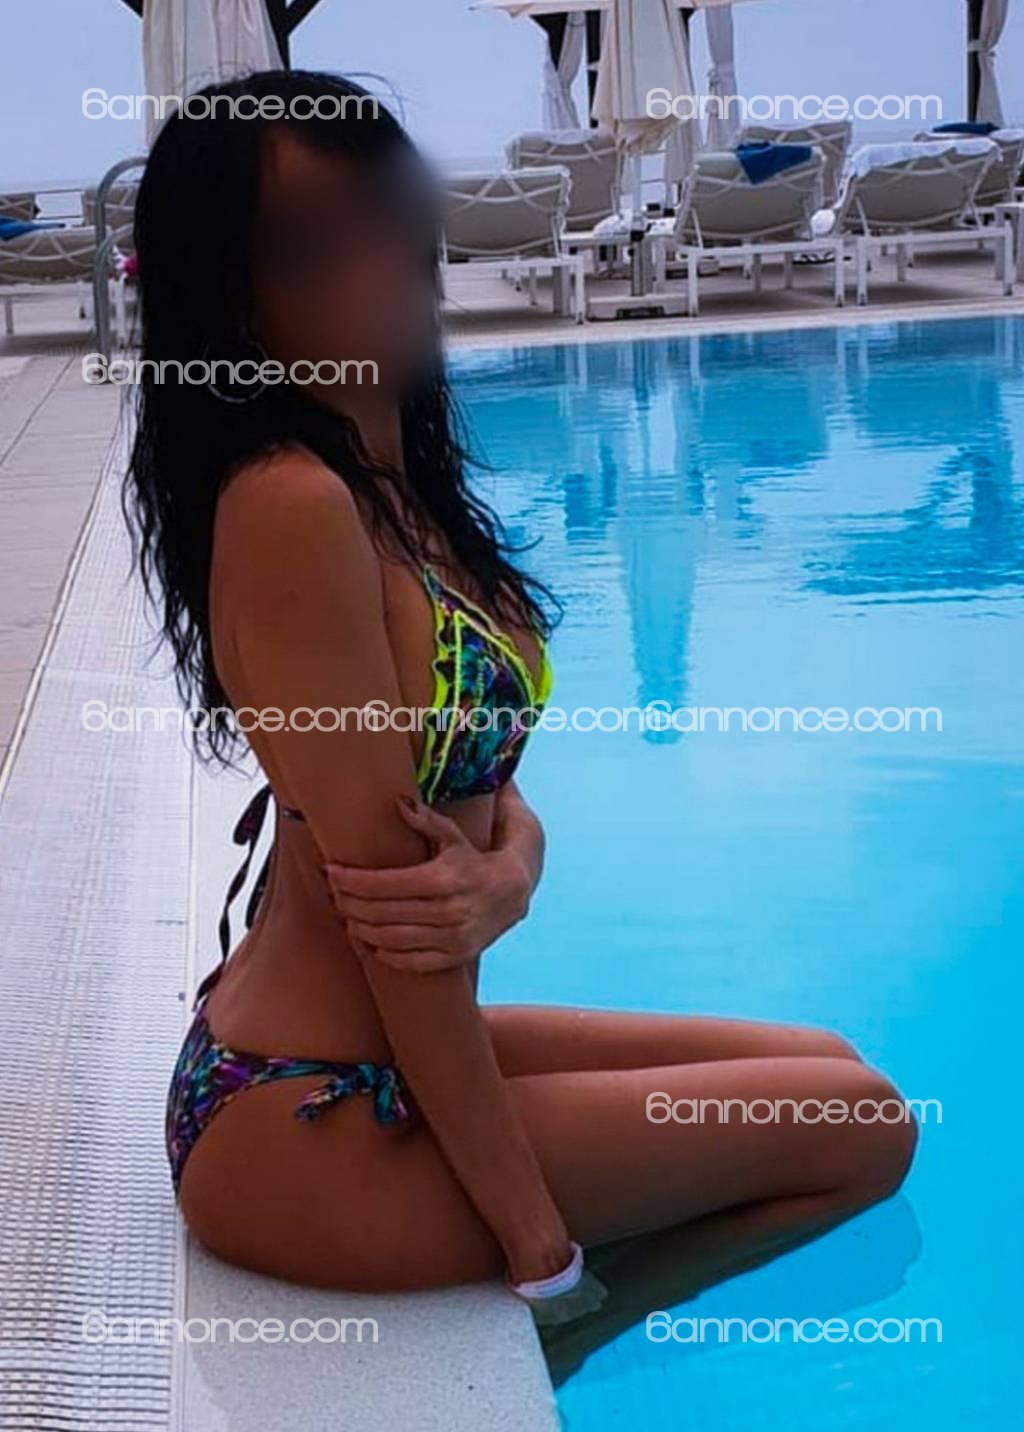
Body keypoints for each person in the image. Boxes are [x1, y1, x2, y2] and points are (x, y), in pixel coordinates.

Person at [125, 70, 916, 1310]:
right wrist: (542, 1253)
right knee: (862, 1124)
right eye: (311, 245)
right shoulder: (293, 502)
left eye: (385, 213)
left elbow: (469, 770)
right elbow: (397, 931)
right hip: (309, 1118)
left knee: (823, 1060)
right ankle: (589, 1328)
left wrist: (513, 868)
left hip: (375, 1060)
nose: (378, 263)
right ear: (228, 288)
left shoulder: (392, 475)